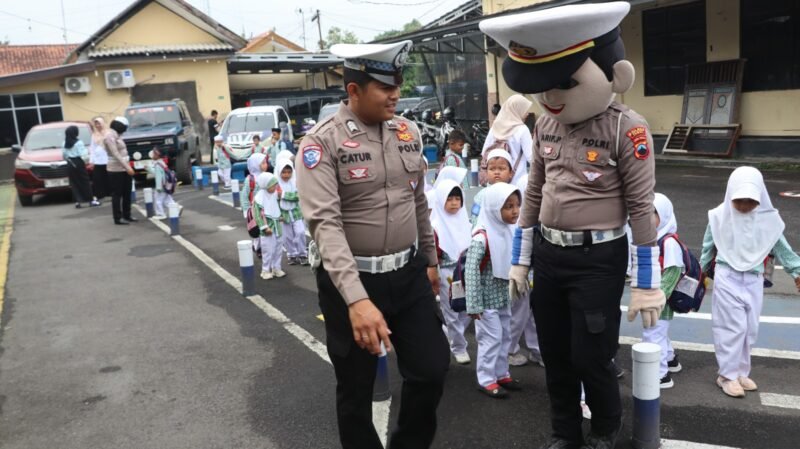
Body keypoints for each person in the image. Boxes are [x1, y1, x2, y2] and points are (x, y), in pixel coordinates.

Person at [481, 3, 664, 447]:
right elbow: (534, 193)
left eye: (564, 81)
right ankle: (565, 433)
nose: (552, 96)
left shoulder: (629, 130)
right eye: (543, 84)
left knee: (591, 356)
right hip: (549, 253)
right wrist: (522, 261)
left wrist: (645, 282)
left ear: (615, 77)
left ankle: (604, 429)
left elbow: (642, 207)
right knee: (556, 356)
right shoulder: (545, 125)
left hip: (597, 259)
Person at [295, 40, 449, 449]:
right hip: (352, 283)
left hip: (409, 273)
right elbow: (324, 224)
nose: (395, 93)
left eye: (397, 83)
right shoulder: (320, 144)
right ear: (354, 90)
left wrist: (431, 259)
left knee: (431, 369)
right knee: (356, 391)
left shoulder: (407, 132)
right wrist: (356, 300)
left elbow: (417, 199)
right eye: (385, 86)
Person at [700, 166, 800, 398]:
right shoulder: (718, 216)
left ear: (760, 197)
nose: (744, 205)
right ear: (730, 194)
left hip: (754, 278)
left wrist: (796, 271)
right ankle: (726, 375)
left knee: (749, 328)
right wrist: (702, 273)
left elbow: (782, 248)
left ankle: (741, 371)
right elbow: (708, 246)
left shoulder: (769, 220)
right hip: (727, 276)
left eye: (751, 200)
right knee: (731, 327)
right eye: (739, 200)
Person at [466, 182, 522, 398]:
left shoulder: (510, 230)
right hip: (485, 301)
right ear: (493, 208)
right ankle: (486, 378)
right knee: (492, 338)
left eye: (517, 204)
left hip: (503, 298)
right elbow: (471, 271)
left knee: (505, 335)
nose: (515, 210)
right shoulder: (481, 236)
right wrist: (474, 304)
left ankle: (501, 373)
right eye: (508, 206)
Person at [643, 193, 686, 389]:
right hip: (655, 297)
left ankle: (660, 375)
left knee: (653, 335)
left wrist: (657, 297)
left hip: (659, 300)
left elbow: (673, 272)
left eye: (653, 214)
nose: (648, 218)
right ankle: (670, 359)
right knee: (659, 332)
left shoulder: (668, 242)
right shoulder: (656, 238)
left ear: (665, 216)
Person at [431, 179, 473, 365]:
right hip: (447, 274)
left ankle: (451, 334)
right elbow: (434, 255)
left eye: (457, 198)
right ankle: (459, 347)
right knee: (452, 312)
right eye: (450, 199)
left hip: (466, 272)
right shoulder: (436, 226)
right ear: (441, 200)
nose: (455, 202)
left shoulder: (466, 221)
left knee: (468, 309)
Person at [507, 173, 543, 368]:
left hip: (540, 274)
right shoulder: (516, 222)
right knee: (518, 316)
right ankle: (509, 350)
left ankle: (538, 350)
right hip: (522, 275)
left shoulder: (548, 216)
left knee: (539, 317)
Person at [481, 94, 533, 186]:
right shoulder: (522, 129)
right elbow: (532, 157)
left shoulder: (495, 126)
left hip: (495, 183)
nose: (527, 113)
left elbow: (485, 152)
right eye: (524, 109)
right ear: (516, 109)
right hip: (517, 181)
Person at [105, 117, 137, 225]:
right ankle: (117, 218)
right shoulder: (110, 136)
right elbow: (115, 153)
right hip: (115, 169)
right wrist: (128, 167)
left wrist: (127, 166)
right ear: (120, 126)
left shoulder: (118, 135)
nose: (125, 130)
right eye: (124, 128)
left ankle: (127, 215)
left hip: (124, 168)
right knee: (117, 194)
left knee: (127, 192)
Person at [253, 172, 285, 280]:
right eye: (272, 185)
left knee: (278, 248)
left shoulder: (275, 195)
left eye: (275, 184)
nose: (275, 187)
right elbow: (257, 215)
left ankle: (276, 268)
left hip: (277, 225)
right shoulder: (259, 198)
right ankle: (266, 270)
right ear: (265, 185)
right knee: (268, 249)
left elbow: (278, 207)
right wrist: (264, 227)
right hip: (268, 227)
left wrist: (281, 216)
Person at [276, 159, 308, 266]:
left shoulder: (295, 182)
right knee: (287, 236)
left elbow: (297, 196)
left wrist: (283, 195)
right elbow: (275, 200)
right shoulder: (276, 184)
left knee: (300, 232)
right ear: (279, 172)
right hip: (283, 215)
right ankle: (292, 255)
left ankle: (302, 253)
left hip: (296, 212)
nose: (286, 175)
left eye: (289, 172)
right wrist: (278, 214)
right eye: (283, 172)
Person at [471, 149, 514, 226]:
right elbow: (474, 218)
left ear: (510, 173)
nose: (496, 172)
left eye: (501, 169)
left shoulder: (514, 194)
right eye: (492, 169)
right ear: (486, 172)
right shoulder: (481, 195)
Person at [62, 125, 98, 208]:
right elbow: (83, 155)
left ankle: (77, 202)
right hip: (78, 162)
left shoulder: (64, 143)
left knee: (74, 183)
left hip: (70, 163)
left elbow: (64, 155)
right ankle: (90, 200)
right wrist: (89, 162)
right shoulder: (79, 142)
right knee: (85, 181)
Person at [242, 152, 268, 258]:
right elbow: (244, 195)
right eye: (262, 163)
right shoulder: (250, 180)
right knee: (257, 230)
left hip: (266, 209)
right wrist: (246, 210)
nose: (266, 164)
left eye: (265, 162)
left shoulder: (267, 176)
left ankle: (262, 248)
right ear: (255, 165)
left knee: (265, 228)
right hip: (254, 210)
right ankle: (257, 247)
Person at [148, 147, 179, 219]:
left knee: (158, 200)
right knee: (167, 199)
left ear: (157, 155)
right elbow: (159, 173)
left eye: (153, 154)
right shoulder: (161, 163)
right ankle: (176, 208)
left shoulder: (157, 165)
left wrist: (158, 187)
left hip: (161, 186)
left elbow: (159, 176)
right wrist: (149, 169)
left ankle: (160, 214)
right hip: (166, 185)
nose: (152, 155)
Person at [89, 117, 110, 201]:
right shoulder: (94, 135)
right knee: (98, 178)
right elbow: (92, 148)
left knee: (108, 177)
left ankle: (110, 193)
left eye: (99, 123)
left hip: (107, 158)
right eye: (96, 124)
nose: (98, 125)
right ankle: (100, 195)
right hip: (98, 160)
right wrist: (92, 161)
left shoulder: (108, 133)